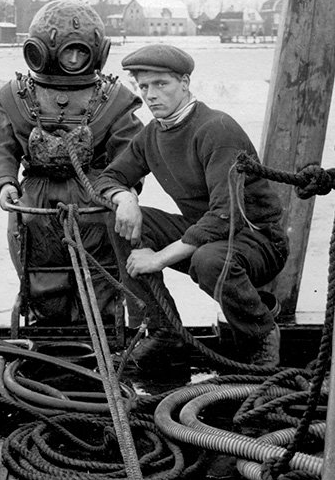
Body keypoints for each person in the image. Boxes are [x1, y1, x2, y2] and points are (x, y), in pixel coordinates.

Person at [94, 42, 289, 373]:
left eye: (161, 84)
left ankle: (261, 338)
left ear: (185, 83)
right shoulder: (152, 135)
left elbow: (223, 216)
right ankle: (163, 332)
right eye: (143, 86)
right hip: (207, 235)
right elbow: (108, 178)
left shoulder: (216, 129)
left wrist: (156, 259)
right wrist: (125, 198)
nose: (151, 94)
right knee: (113, 217)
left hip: (258, 241)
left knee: (208, 259)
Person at [0, 0, 144, 327]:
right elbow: (0, 144)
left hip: (96, 196)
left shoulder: (114, 100)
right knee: (42, 279)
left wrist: (124, 192)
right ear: (39, 51)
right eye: (66, 52)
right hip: (37, 200)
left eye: (81, 52)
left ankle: (101, 339)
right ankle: (49, 338)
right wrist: (5, 182)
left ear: (96, 53)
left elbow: (132, 152)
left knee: (100, 281)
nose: (73, 59)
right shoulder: (17, 96)